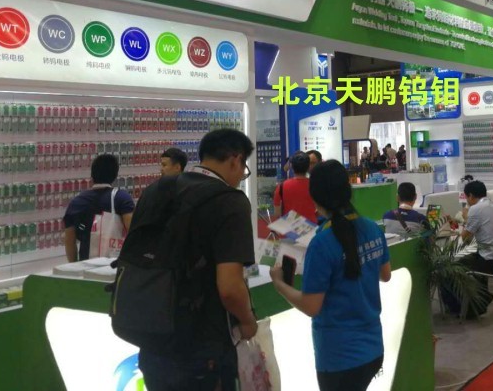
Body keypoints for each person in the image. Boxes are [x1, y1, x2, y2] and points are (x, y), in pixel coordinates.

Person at [135, 129, 258, 391]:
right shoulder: (230, 201)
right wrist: (248, 321)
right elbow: (229, 287)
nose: (241, 176)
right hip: (202, 350)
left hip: (152, 341)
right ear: (236, 159)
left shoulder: (155, 190)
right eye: (243, 169)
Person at [270, 160, 391, 391]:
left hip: (339, 358)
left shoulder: (322, 243)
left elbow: (311, 306)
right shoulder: (372, 228)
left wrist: (279, 283)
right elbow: (385, 275)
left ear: (314, 196)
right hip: (374, 348)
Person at [443, 181, 493, 317]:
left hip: (490, 262)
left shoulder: (475, 209)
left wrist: (465, 219)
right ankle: (481, 300)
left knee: (449, 269)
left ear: (470, 196)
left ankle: (462, 307)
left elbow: (465, 238)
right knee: (475, 257)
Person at [63, 154, 134, 262]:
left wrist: (74, 265)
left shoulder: (77, 202)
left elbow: (69, 240)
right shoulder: (122, 198)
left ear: (92, 174)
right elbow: (133, 231)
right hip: (114, 264)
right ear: (114, 175)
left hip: (85, 264)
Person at [274, 151, 317, 222]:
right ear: (308, 167)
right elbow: (320, 210)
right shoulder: (315, 185)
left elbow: (277, 213)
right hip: (311, 225)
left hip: (289, 226)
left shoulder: (281, 187)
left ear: (292, 167)